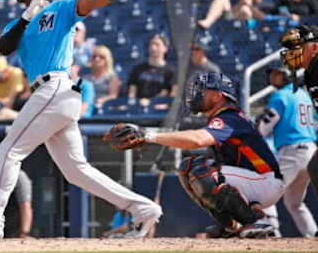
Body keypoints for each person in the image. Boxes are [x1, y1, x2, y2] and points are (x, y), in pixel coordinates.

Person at [0, 0, 162, 241]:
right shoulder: (17, 23)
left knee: (8, 150)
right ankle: (143, 208)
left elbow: (90, 3)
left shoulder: (61, 8)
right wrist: (27, 18)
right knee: (76, 171)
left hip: (54, 87)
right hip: (51, 95)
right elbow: (4, 47)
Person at [106, 72, 285, 238]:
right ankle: (229, 225)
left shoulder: (230, 117)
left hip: (265, 181)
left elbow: (197, 140)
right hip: (252, 180)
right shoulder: (223, 117)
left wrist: (149, 135)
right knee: (188, 167)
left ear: (218, 95)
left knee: (203, 173)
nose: (197, 94)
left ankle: (255, 221)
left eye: (203, 90)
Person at [258, 65, 317, 237]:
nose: (272, 77)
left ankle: (272, 232)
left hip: (292, 150)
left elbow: (266, 125)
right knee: (294, 202)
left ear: (286, 76)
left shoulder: (281, 95)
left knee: (266, 191)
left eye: (276, 74)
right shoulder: (303, 95)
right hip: (310, 151)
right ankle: (312, 234)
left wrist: (258, 128)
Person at [280, 25, 318, 210]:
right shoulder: (310, 74)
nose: (293, 53)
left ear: (315, 48)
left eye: (299, 48)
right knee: (315, 167)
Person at [127, 35, 177, 107]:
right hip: (137, 106)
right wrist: (134, 102)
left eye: (157, 45)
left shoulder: (170, 71)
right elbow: (132, 91)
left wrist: (151, 102)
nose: (153, 47)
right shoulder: (138, 68)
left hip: (158, 107)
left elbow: (167, 92)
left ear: (165, 49)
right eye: (151, 44)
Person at [86, 45, 121, 110]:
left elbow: (113, 96)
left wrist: (102, 100)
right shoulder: (86, 78)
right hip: (87, 107)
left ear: (107, 59)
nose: (97, 59)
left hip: (104, 108)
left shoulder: (112, 77)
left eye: (101, 57)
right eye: (94, 57)